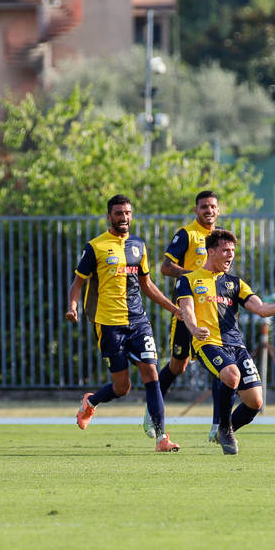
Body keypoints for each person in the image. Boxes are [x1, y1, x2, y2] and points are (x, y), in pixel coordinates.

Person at [65, 194, 182, 452]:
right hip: (109, 324)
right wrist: (73, 307)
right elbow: (78, 283)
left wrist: (175, 309)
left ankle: (162, 438)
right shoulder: (95, 246)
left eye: (127, 212)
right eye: (118, 213)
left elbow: (147, 285)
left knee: (151, 373)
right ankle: (91, 402)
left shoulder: (139, 245)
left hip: (138, 322)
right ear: (109, 216)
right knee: (122, 387)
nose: (124, 217)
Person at [174, 228, 275, 455]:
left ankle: (226, 429)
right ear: (211, 252)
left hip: (236, 346)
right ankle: (223, 428)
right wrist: (194, 329)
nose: (231, 255)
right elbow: (187, 310)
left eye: (233, 250)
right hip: (207, 343)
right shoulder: (188, 280)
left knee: (255, 402)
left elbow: (260, 308)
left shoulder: (236, 283)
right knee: (231, 375)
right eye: (225, 250)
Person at [147, 190, 222, 441]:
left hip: (212, 312)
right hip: (186, 311)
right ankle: (152, 411)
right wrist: (194, 275)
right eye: (203, 207)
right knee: (179, 365)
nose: (208, 211)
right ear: (196, 210)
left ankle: (218, 426)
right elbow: (166, 267)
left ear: (218, 210)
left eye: (212, 206)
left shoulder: (220, 238)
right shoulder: (187, 234)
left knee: (218, 366)